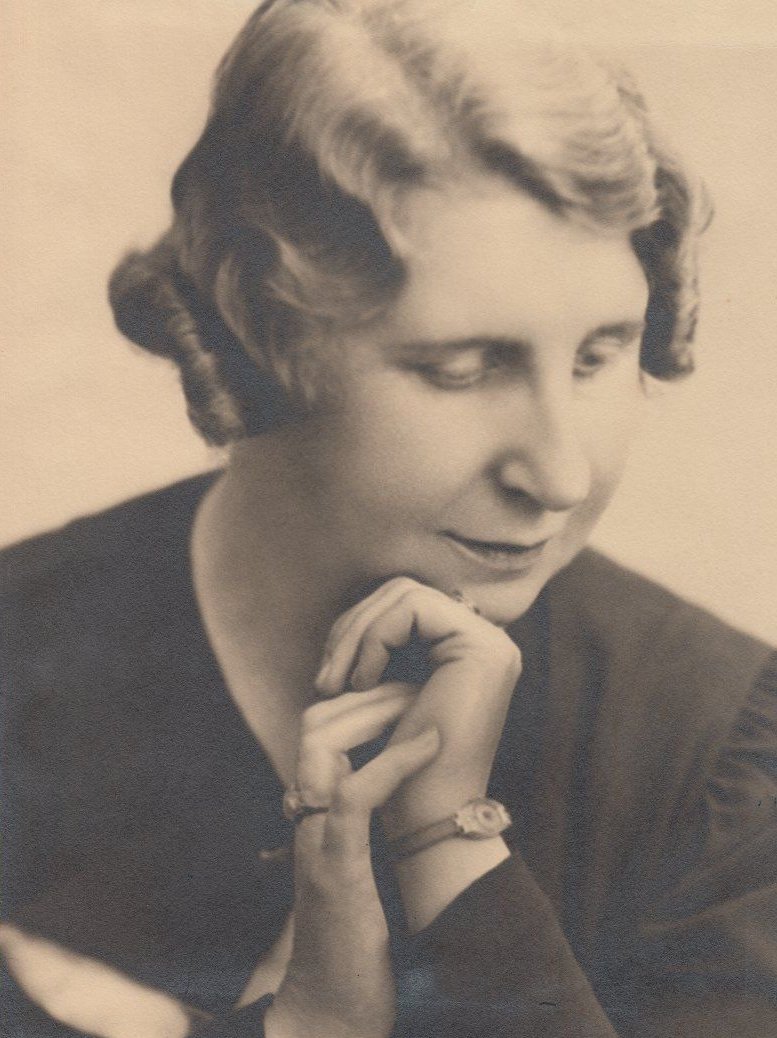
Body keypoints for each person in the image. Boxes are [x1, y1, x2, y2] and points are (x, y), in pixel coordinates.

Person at [2, 1, 776, 1035]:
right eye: (462, 368)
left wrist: (450, 845)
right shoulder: (19, 653)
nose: (557, 472)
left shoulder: (713, 743)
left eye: (599, 356)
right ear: (255, 343)